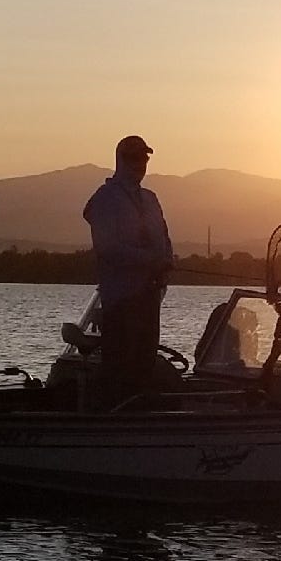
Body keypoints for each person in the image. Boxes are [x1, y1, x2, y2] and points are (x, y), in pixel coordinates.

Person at [83, 135, 174, 409]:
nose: (141, 164)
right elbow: (108, 248)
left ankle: (140, 416)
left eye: (144, 158)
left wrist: (167, 261)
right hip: (121, 300)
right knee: (120, 368)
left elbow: (164, 238)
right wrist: (150, 260)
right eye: (135, 158)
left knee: (144, 364)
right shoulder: (104, 199)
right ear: (120, 160)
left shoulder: (151, 199)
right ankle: (112, 416)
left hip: (150, 297)